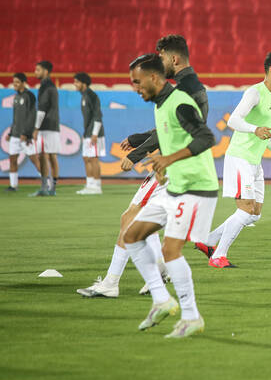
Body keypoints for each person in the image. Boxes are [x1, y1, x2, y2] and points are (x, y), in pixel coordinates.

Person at [77, 35, 207, 298]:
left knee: (130, 219)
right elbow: (170, 127)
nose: (158, 63)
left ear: (173, 58)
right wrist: (139, 138)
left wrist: (136, 154)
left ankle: (112, 282)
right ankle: (160, 271)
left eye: (161, 57)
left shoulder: (181, 91)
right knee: (143, 223)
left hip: (171, 168)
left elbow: (173, 131)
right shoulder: (190, 87)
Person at [122, 53, 218, 338]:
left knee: (170, 250)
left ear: (154, 77)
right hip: (175, 186)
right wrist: (165, 168)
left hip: (196, 188)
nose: (135, 88)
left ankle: (191, 316)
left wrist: (169, 159)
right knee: (132, 235)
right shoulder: (160, 105)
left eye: (138, 82)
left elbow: (206, 137)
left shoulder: (179, 103)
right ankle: (162, 300)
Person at [195, 51, 271, 268]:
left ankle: (207, 241)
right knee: (246, 208)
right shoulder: (254, 93)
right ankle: (218, 256)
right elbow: (233, 120)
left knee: (254, 214)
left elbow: (265, 132)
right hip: (240, 158)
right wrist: (254, 129)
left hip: (254, 162)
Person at [30, 61, 60, 197]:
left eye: (38, 70)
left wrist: (36, 128)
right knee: (52, 156)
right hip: (53, 125)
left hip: (45, 126)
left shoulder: (45, 87)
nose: (35, 72)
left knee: (43, 156)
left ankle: (44, 187)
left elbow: (41, 109)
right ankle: (52, 188)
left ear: (46, 71)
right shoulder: (52, 86)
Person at [73, 72, 105, 195]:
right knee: (86, 158)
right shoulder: (84, 96)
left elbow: (98, 115)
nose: (75, 84)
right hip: (88, 132)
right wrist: (86, 132)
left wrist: (94, 133)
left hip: (94, 133)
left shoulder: (92, 95)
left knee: (93, 158)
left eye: (77, 82)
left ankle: (97, 186)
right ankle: (89, 185)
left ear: (84, 83)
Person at [5, 73, 37, 192]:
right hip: (15, 135)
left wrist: (27, 133)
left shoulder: (29, 96)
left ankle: (47, 183)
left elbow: (32, 116)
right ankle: (13, 185)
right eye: (14, 82)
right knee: (12, 159)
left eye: (17, 82)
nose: (15, 84)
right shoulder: (16, 97)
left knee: (34, 159)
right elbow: (15, 118)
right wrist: (10, 133)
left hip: (25, 136)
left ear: (24, 83)